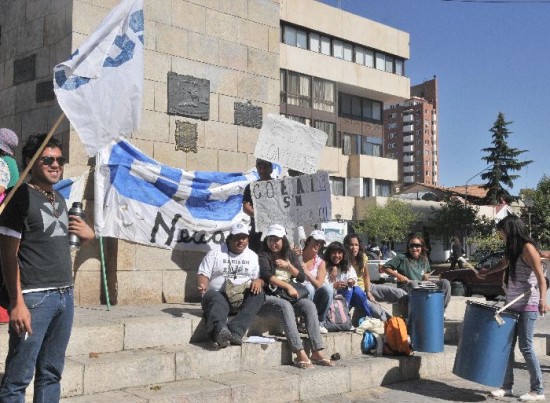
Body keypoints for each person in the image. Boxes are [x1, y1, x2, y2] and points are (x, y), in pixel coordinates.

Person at [0, 134, 95, 401]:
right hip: (34, 298)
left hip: (65, 296)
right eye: (48, 160)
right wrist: (17, 302)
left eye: (60, 160)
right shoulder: (19, 198)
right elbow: (8, 255)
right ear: (30, 162)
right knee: (18, 378)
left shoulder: (61, 201)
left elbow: (56, 243)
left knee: (51, 373)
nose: (56, 165)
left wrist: (90, 235)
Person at [480, 215, 548, 401]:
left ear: (509, 229)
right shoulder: (513, 249)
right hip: (511, 302)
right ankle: (506, 386)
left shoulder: (528, 248)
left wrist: (543, 300)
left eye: (501, 231)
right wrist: (487, 272)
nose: (500, 234)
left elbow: (541, 278)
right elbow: (504, 264)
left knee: (525, 346)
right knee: (506, 346)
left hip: (528, 303)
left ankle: (538, 390)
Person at [258, 224, 334, 368]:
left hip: (287, 295)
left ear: (283, 240)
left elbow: (300, 276)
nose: (273, 243)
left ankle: (317, 350)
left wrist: (288, 266)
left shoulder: (290, 255)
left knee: (309, 305)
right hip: (269, 295)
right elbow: (266, 275)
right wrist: (287, 286)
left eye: (277, 240)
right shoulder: (263, 255)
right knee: (285, 307)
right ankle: (299, 352)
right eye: (270, 239)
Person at [197, 222, 265, 348]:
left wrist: (258, 281)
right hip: (218, 297)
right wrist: (203, 285)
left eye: (243, 238)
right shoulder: (215, 253)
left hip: (240, 298)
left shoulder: (252, 256)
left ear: (247, 239)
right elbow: (203, 273)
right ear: (230, 238)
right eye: (237, 237)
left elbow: (259, 278)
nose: (240, 241)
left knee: (259, 295)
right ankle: (219, 331)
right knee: (215, 298)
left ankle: (235, 332)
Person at [344, 234, 407, 321]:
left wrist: (368, 292)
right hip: (356, 292)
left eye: (356, 245)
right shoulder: (343, 260)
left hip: (368, 287)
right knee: (377, 311)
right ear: (347, 246)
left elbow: (366, 275)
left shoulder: (362, 257)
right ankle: (393, 323)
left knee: (399, 293)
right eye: (351, 245)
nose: (354, 247)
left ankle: (411, 318)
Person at [383, 235, 451, 309]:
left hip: (422, 285)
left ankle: (440, 310)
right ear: (408, 247)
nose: (414, 248)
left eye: (417, 246)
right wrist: (399, 276)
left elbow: (427, 273)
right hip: (407, 286)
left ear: (422, 247)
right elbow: (385, 267)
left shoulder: (424, 259)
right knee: (414, 284)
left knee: (445, 283)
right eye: (411, 246)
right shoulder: (401, 257)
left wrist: (426, 276)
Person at [324, 241, 374, 319]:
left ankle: (369, 317)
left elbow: (353, 277)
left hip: (348, 297)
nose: (337, 255)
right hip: (331, 298)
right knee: (350, 290)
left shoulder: (346, 265)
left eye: (339, 253)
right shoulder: (324, 266)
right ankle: (344, 316)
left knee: (357, 291)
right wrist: (334, 286)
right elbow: (322, 287)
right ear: (329, 254)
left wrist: (351, 280)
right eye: (334, 253)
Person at [301, 230, 332, 334]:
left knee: (328, 289)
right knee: (309, 288)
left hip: (313, 293)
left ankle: (320, 322)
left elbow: (319, 284)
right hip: (299, 291)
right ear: (309, 240)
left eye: (321, 243)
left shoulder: (320, 262)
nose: (318, 244)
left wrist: (307, 273)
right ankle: (304, 322)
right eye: (316, 241)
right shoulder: (297, 255)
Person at [242, 159, 273, 253]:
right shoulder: (251, 187)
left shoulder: (279, 185)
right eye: (259, 168)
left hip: (275, 229)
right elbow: (246, 207)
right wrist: (261, 215)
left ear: (271, 169)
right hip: (257, 229)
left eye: (265, 168)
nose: (262, 170)